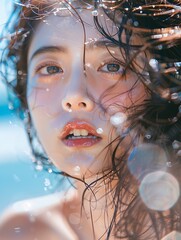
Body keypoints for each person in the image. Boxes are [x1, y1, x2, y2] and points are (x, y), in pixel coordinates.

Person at [0, 0, 181, 239]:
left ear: (166, 84)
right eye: (51, 69)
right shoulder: (22, 232)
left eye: (112, 66)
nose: (74, 96)